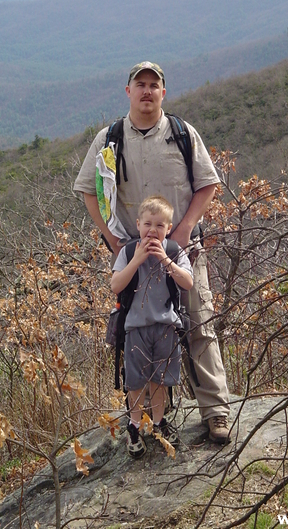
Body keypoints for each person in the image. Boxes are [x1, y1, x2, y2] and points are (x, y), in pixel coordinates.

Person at [74, 60, 231, 444]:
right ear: (128, 91)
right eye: (139, 84)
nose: (147, 91)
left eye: (154, 85)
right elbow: (87, 190)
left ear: (164, 92)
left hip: (183, 252)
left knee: (198, 325)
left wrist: (185, 228)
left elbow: (208, 184)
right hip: (135, 259)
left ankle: (216, 413)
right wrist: (113, 240)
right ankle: (145, 423)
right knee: (136, 333)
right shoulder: (109, 139)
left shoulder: (181, 133)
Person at [111, 195, 193, 457]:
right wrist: (137, 260)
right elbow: (115, 285)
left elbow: (187, 283)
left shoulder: (173, 250)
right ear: (138, 225)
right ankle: (134, 426)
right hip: (136, 327)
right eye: (147, 224)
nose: (152, 230)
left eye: (159, 225)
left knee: (160, 380)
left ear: (168, 228)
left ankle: (158, 422)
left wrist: (166, 261)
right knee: (135, 381)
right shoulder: (127, 251)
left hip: (166, 326)